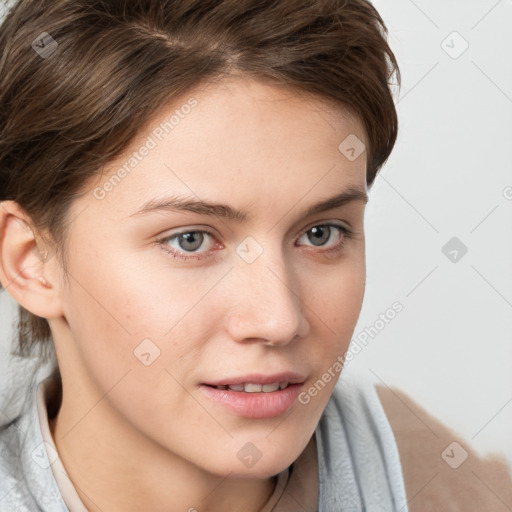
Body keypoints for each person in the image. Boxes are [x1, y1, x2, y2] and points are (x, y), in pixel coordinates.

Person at [0, 1, 509, 511]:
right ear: (31, 262)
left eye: (320, 233)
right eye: (190, 240)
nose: (279, 320)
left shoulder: (445, 485)